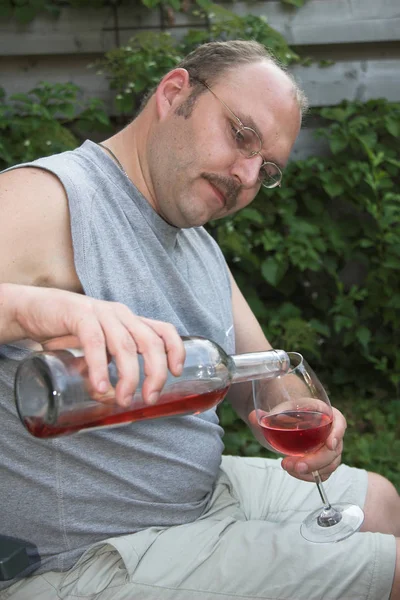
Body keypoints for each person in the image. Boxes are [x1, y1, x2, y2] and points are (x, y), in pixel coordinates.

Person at [0, 39, 398, 600]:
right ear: (174, 93)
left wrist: (298, 415)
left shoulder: (198, 245)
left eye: (268, 168)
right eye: (242, 136)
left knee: (380, 500)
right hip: (93, 556)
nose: (247, 175)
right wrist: (33, 307)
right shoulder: (57, 196)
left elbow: (263, 380)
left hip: (199, 504)